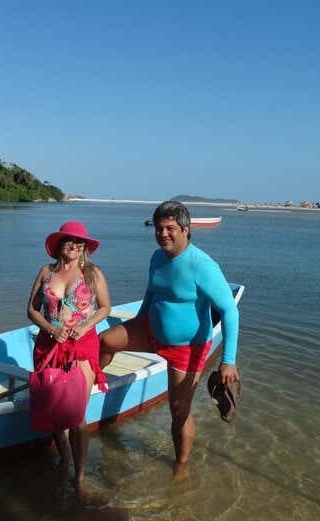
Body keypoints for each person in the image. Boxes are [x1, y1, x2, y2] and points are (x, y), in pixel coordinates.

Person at [99, 200, 240, 475]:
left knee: (179, 409)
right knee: (105, 341)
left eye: (170, 228)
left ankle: (181, 467)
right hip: (150, 330)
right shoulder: (157, 257)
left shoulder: (203, 266)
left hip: (186, 347)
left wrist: (228, 360)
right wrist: (138, 321)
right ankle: (95, 385)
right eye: (159, 228)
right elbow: (151, 292)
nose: (163, 233)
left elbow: (229, 311)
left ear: (185, 229)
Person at [27, 221, 111, 493]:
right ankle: (64, 460)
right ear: (59, 244)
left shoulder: (92, 273)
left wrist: (84, 327)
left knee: (75, 414)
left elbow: (105, 307)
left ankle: (80, 477)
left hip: (81, 346)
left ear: (85, 247)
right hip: (47, 345)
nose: (74, 245)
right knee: (53, 408)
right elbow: (32, 309)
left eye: (79, 242)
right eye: (69, 240)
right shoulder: (46, 271)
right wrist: (51, 329)